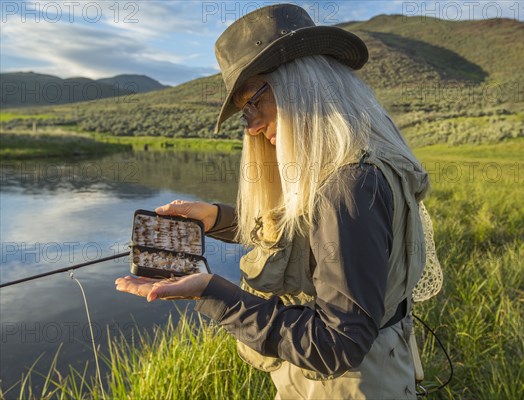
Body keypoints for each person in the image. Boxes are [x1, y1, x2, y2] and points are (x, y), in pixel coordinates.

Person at [115, 4, 431, 399]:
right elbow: (308, 233)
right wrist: (217, 220)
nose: (250, 125)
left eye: (254, 102)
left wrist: (212, 292)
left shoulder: (346, 189)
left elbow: (337, 344)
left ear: (299, 87)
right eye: (243, 110)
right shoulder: (364, 165)